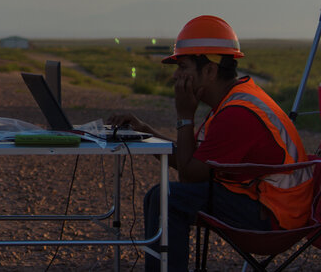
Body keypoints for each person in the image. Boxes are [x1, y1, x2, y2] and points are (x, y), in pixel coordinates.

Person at [108, 15, 313, 272]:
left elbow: (190, 174)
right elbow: (192, 159)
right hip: (262, 206)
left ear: (210, 71)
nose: (176, 77)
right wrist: (144, 132)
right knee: (159, 197)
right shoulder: (231, 102)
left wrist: (185, 116)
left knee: (165, 198)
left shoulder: (238, 113)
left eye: (183, 67)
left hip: (272, 220)